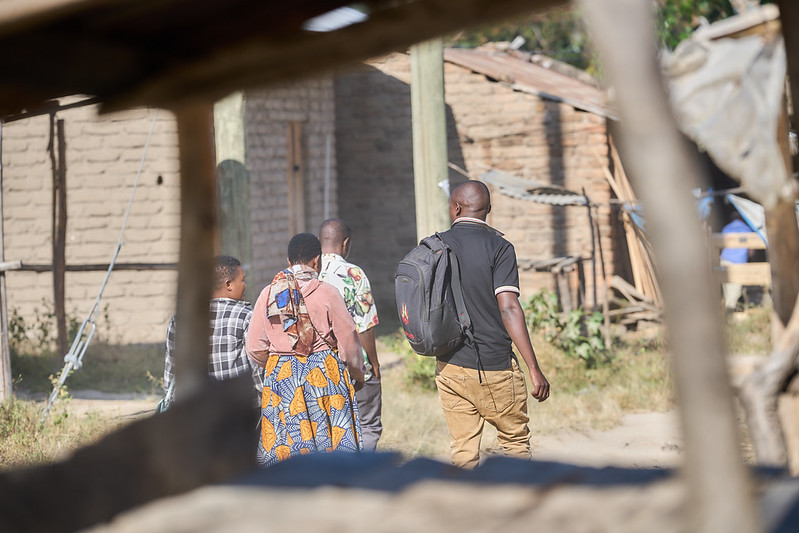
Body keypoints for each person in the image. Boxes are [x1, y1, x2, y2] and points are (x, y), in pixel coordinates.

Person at [436, 180, 550, 469]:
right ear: (488, 210)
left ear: (456, 208)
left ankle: (465, 509)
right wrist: (533, 369)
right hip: (495, 366)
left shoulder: (436, 246)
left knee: (462, 451)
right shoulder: (500, 248)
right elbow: (509, 307)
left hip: (449, 366)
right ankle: (521, 504)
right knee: (515, 445)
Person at [246, 232, 366, 467]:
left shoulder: (267, 294)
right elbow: (348, 342)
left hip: (281, 378)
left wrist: (277, 363)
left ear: (289, 261)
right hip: (325, 374)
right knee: (331, 447)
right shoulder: (327, 292)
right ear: (316, 261)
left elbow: (254, 347)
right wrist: (356, 374)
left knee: (285, 444)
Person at [163, 255, 262, 407]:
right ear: (228, 284)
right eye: (242, 280)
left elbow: (172, 369)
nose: (245, 285)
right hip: (236, 407)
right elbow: (256, 367)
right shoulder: (246, 315)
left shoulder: (180, 320)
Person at [319, 218, 383, 452]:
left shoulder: (308, 273)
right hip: (355, 366)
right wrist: (373, 364)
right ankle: (362, 476)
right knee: (367, 426)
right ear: (345, 244)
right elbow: (364, 324)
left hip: (319, 367)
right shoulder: (353, 274)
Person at [720, 211, 755, 311]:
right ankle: (729, 320)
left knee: (727, 293)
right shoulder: (747, 229)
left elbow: (721, 247)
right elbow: (751, 252)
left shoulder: (726, 228)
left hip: (724, 262)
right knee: (733, 295)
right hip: (737, 264)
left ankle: (727, 317)